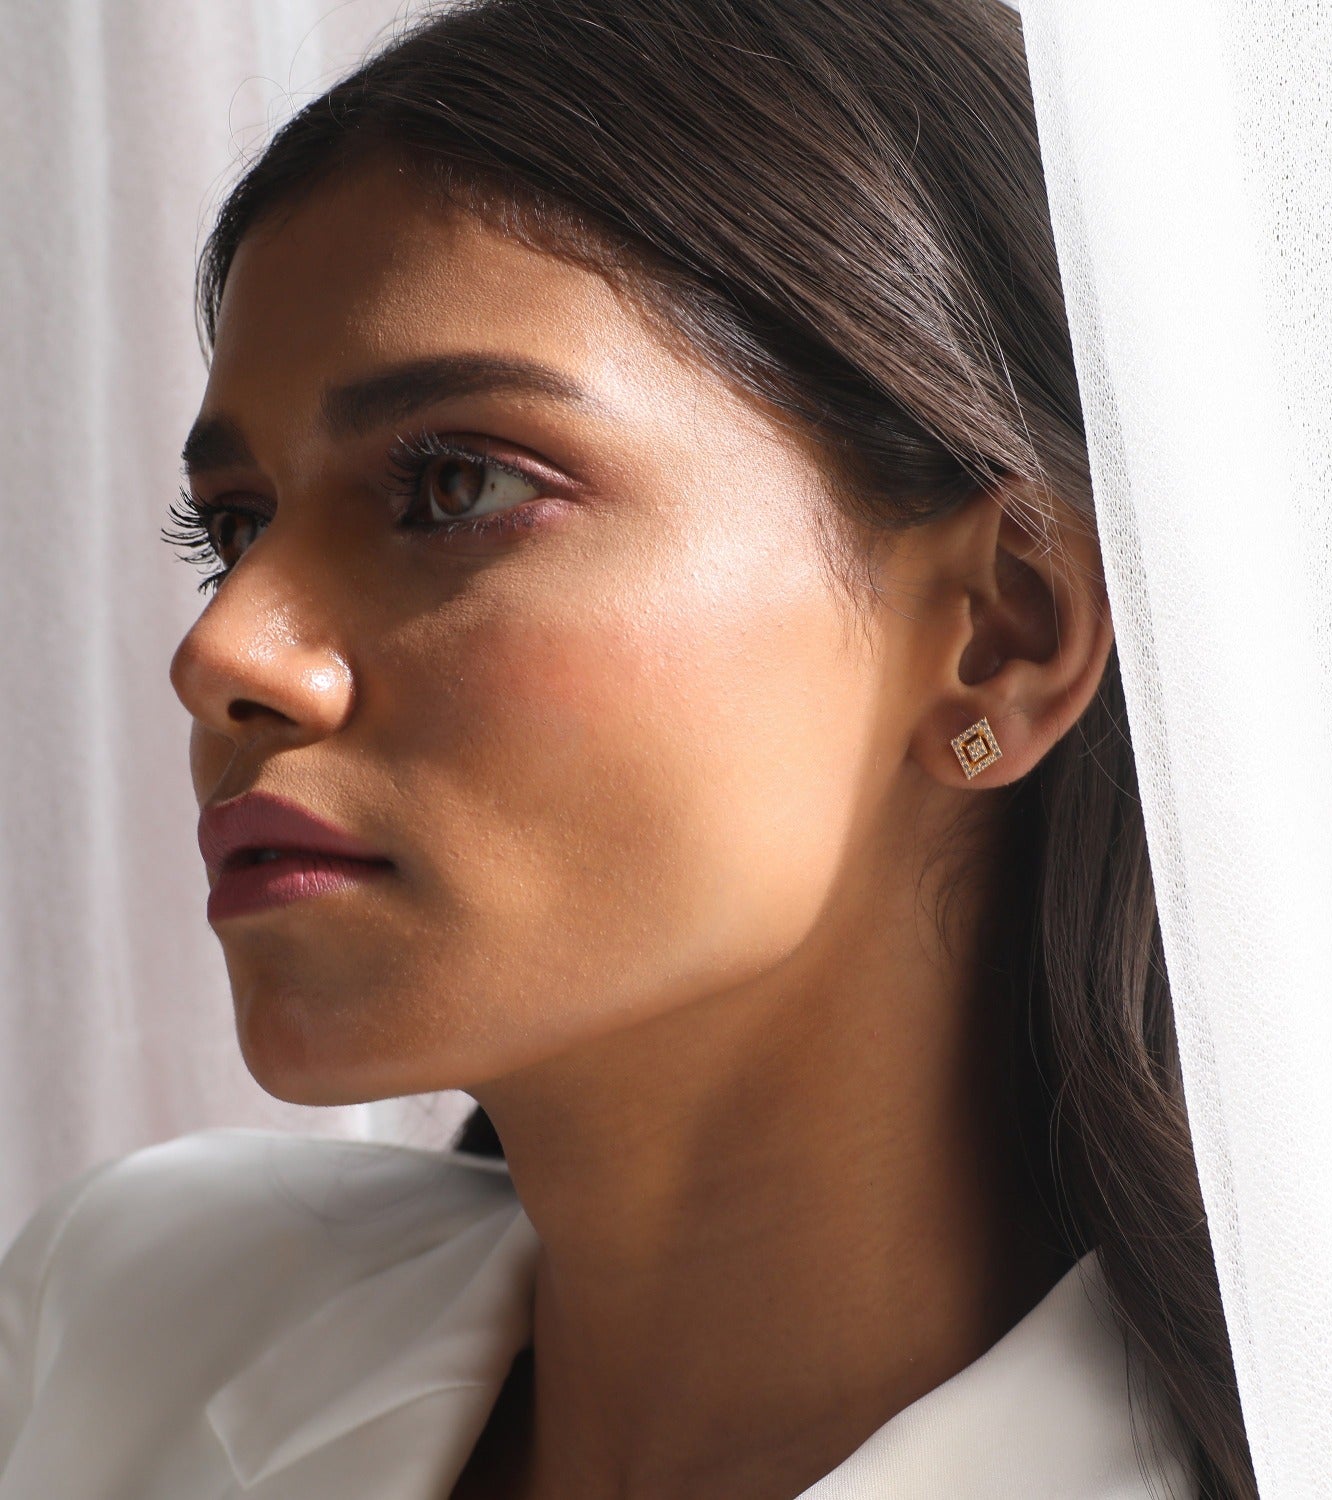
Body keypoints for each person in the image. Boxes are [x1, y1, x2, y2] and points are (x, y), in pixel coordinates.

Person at [0, 1, 1258, 1495]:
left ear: (1005, 632)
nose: (224, 654)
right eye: (237, 528)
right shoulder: (131, 1318)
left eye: (456, 483)